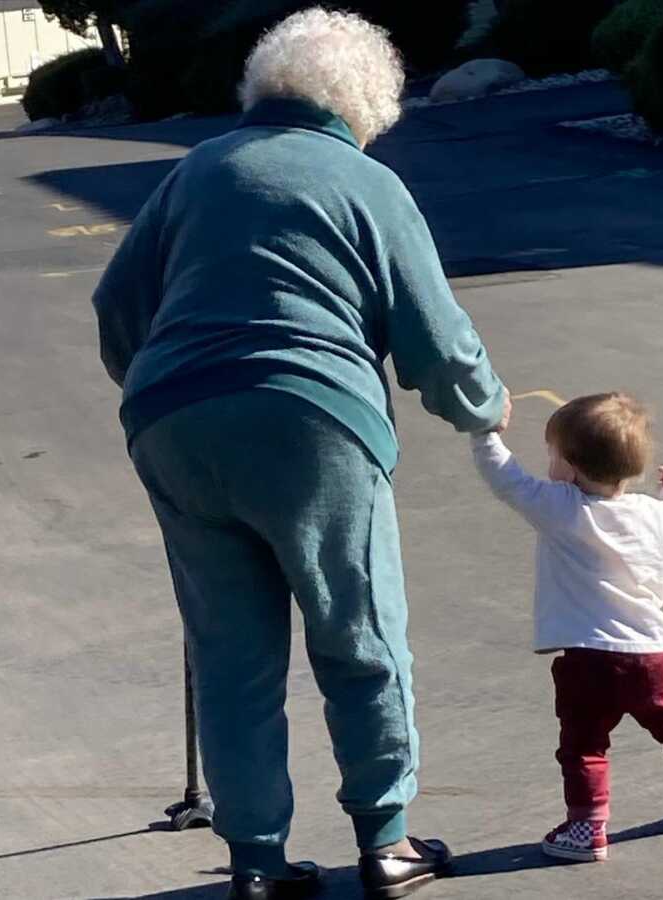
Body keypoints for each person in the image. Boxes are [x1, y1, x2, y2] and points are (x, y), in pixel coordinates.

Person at [92, 8, 510, 899]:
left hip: (171, 418)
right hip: (310, 419)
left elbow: (115, 307)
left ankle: (256, 864)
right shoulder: (366, 182)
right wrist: (484, 409)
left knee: (231, 653)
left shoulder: (197, 169)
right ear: (364, 105)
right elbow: (435, 341)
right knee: (359, 636)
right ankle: (387, 842)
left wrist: (163, 386)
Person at [471, 392, 663, 863]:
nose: (547, 463)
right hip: (658, 655)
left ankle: (586, 828)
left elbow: (506, 480)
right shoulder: (653, 514)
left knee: (583, 744)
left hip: (588, 656)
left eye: (553, 454)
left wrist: (484, 432)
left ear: (571, 467)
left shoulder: (562, 507)